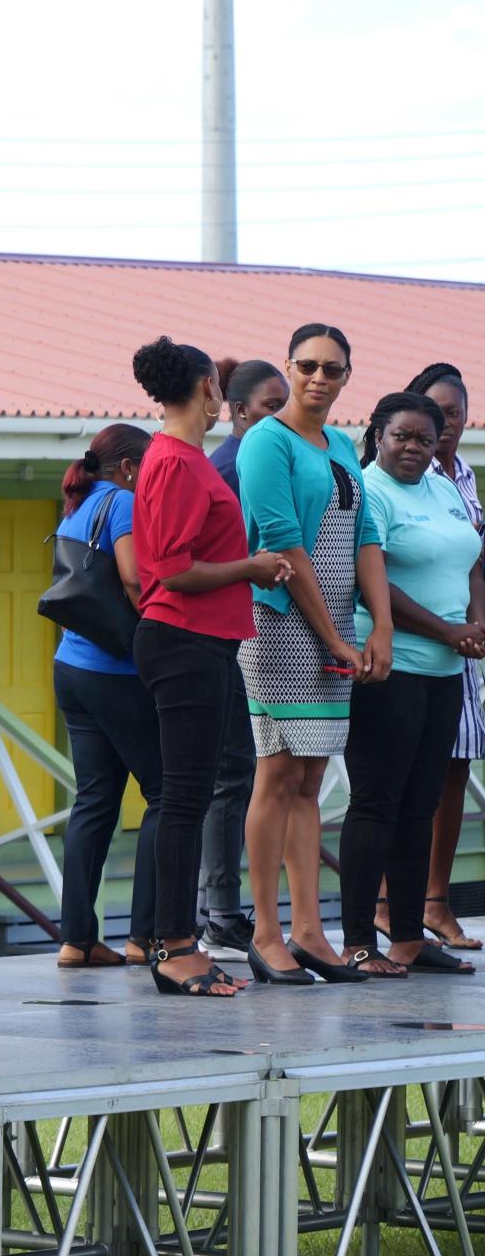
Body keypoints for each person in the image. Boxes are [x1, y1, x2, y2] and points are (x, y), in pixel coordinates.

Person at [128, 337, 292, 997]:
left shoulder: (186, 457)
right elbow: (172, 570)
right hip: (182, 639)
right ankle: (174, 946)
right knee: (184, 798)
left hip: (205, 641)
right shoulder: (174, 460)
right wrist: (250, 567)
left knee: (189, 795)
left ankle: (176, 941)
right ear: (206, 390)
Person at [235, 323, 392, 985]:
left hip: (338, 629)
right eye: (307, 366)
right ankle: (265, 933)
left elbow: (366, 535)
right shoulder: (266, 441)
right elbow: (281, 540)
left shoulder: (341, 445)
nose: (318, 378)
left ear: (347, 375)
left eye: (332, 369)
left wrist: (380, 626)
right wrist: (333, 638)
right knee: (277, 775)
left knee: (310, 780)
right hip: (279, 627)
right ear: (290, 367)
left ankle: (308, 930)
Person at [339, 392, 482, 978]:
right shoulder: (369, 491)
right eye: (402, 435)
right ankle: (357, 941)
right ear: (378, 434)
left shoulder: (443, 488)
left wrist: (475, 624)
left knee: (420, 806)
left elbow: (472, 559)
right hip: (388, 669)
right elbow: (370, 579)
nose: (414, 448)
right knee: (377, 802)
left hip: (447, 672)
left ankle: (407, 937)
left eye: (425, 438)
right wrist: (448, 631)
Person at [47, 425, 160, 970]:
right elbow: (134, 579)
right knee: (165, 793)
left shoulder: (78, 503)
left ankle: (76, 940)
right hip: (116, 669)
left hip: (71, 666)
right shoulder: (123, 503)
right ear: (130, 467)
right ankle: (145, 935)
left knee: (94, 800)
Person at [198, 358, 288, 959]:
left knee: (247, 773)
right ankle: (222, 912)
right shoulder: (233, 466)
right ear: (236, 411)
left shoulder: (258, 458)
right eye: (269, 407)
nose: (280, 418)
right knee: (232, 775)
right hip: (237, 633)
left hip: (246, 629)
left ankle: (220, 909)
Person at [407, 364, 485, 951]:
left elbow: (474, 558)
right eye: (436, 413)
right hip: (417, 639)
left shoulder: (464, 475)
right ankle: (392, 901)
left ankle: (436, 899)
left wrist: (476, 624)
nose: (445, 424)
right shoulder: (407, 470)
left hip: (465, 645)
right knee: (409, 774)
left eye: (454, 413)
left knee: (456, 767)